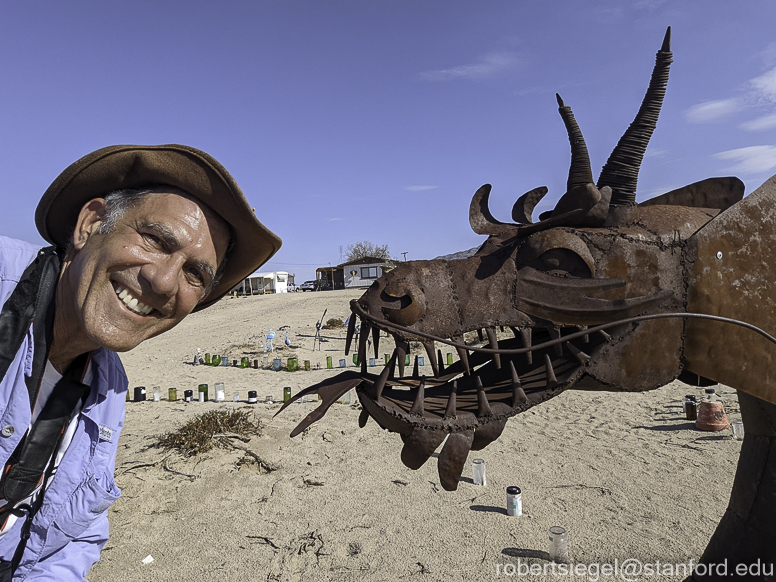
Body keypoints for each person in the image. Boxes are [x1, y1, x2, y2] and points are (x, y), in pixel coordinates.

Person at [0, 144, 281, 580]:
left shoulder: (107, 389)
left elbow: (75, 538)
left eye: (195, 274)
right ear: (90, 225)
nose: (163, 280)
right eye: (155, 240)